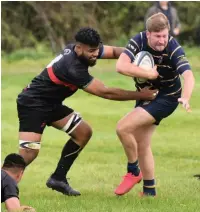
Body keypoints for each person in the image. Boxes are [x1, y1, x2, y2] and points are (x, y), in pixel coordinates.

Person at [16, 27, 158, 196]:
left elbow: (113, 51)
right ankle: (4, 181)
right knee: (29, 153)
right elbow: (106, 92)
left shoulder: (85, 50)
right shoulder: (72, 68)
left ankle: (58, 178)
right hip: (33, 104)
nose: (95, 54)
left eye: (97, 49)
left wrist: (135, 54)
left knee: (83, 132)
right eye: (91, 51)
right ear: (78, 48)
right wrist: (141, 94)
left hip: (51, 104)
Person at [114, 13, 195, 197]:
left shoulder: (174, 49)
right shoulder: (138, 40)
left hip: (168, 98)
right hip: (147, 93)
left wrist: (186, 96)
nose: (162, 40)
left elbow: (189, 76)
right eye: (158, 36)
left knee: (123, 128)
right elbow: (121, 66)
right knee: (142, 142)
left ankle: (133, 172)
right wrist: (149, 75)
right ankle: (149, 191)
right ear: (148, 34)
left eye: (165, 36)